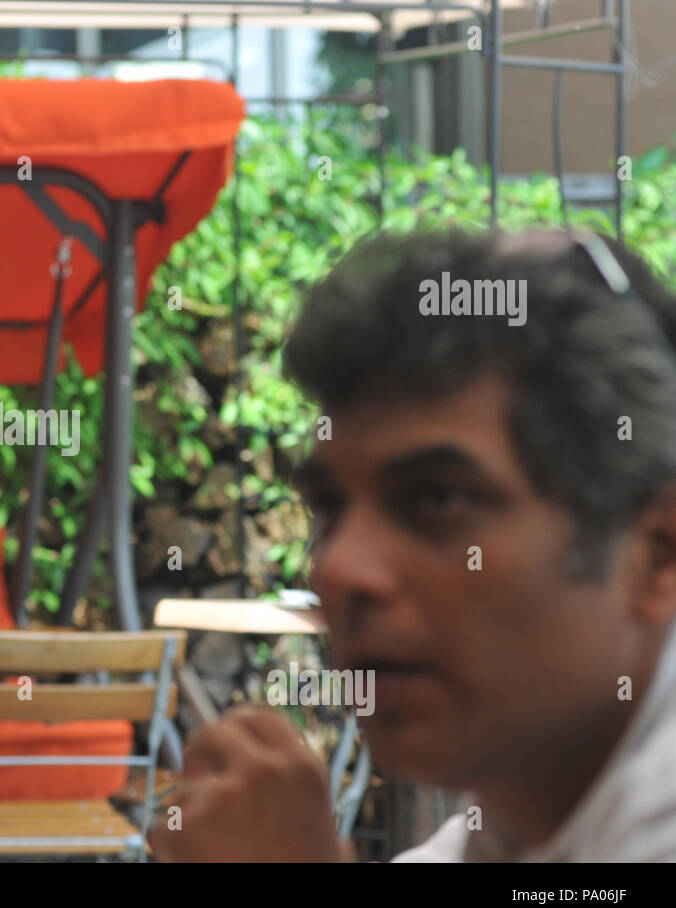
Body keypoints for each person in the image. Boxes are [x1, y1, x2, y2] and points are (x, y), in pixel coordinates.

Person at [149, 228, 676, 862]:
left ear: (658, 556)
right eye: (329, 509)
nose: (338, 569)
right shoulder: (518, 814)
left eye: (437, 500)